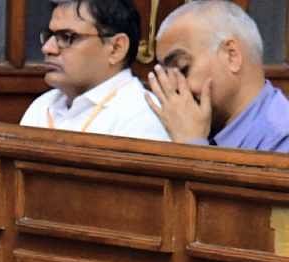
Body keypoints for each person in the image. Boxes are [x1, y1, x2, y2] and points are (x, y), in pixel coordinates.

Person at [147, 0, 289, 152]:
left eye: (183, 69)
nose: (172, 88)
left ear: (231, 56)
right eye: (165, 75)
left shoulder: (281, 138)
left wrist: (191, 145)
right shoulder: (192, 126)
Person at [20, 0, 170, 141]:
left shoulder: (141, 115)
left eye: (67, 37)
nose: (47, 48)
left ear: (116, 49)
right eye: (49, 36)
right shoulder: (42, 105)